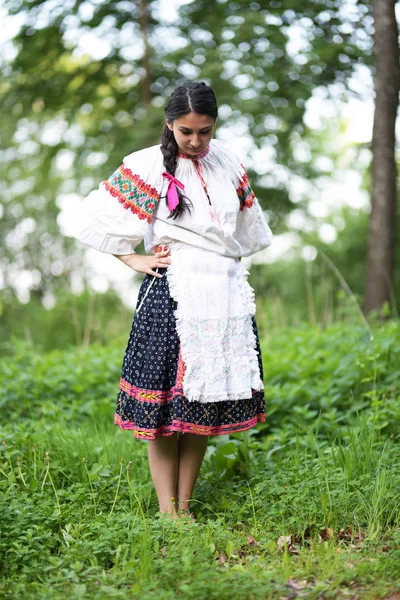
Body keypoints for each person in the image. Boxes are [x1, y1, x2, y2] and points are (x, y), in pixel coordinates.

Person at [71, 82, 273, 521]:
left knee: (202, 403)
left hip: (220, 293)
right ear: (170, 124)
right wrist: (131, 256)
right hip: (172, 292)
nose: (197, 141)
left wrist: (225, 262)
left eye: (205, 131)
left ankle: (186, 505)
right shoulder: (146, 164)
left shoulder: (229, 162)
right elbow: (90, 218)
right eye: (186, 132)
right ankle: (169, 513)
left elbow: (248, 230)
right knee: (164, 405)